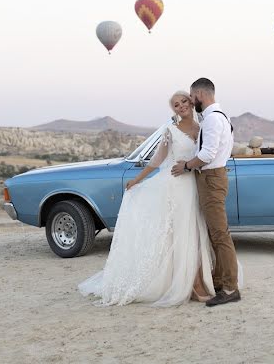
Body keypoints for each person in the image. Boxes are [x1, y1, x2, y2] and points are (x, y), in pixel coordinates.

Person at [78, 91, 215, 306]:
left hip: (193, 185)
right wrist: (137, 179)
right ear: (174, 110)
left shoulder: (202, 129)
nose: (181, 107)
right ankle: (193, 286)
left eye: (184, 102)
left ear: (191, 102)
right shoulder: (171, 130)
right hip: (175, 186)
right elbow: (158, 159)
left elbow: (207, 155)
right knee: (181, 235)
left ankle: (194, 283)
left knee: (194, 235)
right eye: (176, 105)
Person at [171, 77, 240, 307]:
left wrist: (186, 166)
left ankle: (230, 288)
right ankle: (220, 281)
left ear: (200, 94)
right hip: (214, 178)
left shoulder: (211, 120)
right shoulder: (221, 117)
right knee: (215, 234)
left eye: (192, 97)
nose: (191, 101)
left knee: (220, 235)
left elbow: (208, 154)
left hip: (211, 179)